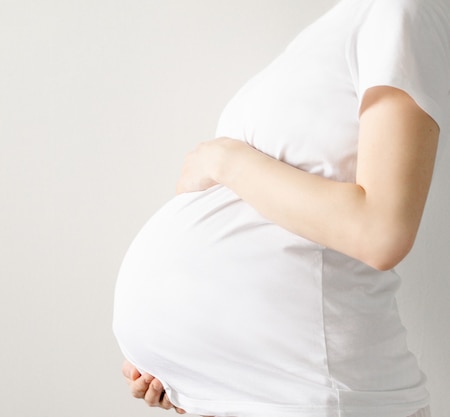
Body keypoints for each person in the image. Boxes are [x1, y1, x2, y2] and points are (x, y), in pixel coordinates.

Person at [113, 0, 450, 416]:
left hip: (322, 393)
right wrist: (192, 374)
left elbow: (381, 231)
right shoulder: (338, 24)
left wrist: (224, 160)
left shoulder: (400, 11)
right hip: (265, 392)